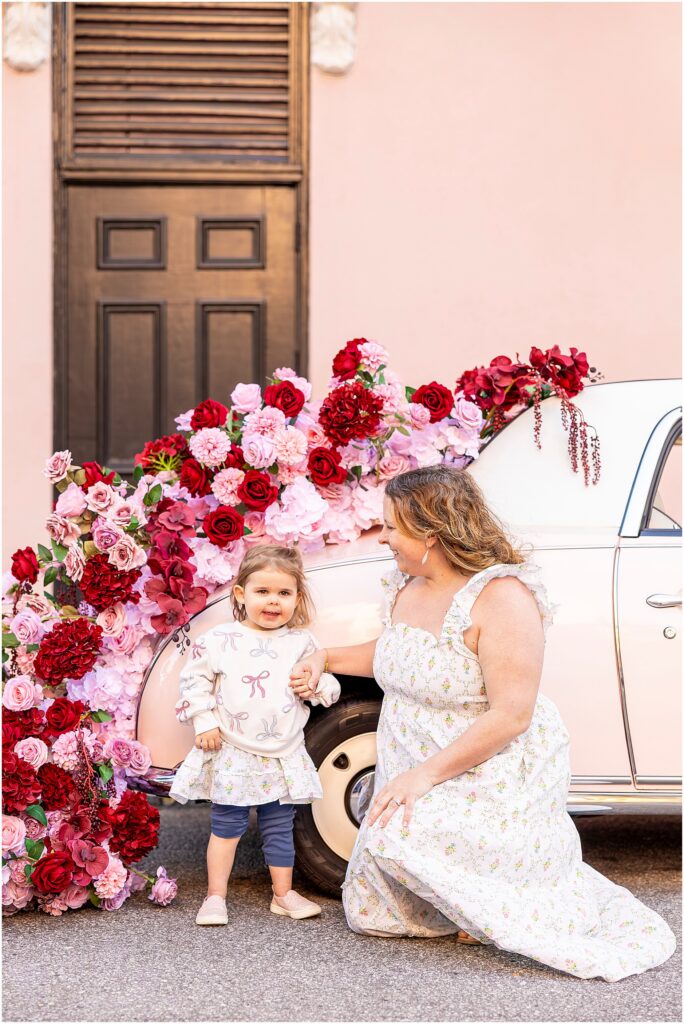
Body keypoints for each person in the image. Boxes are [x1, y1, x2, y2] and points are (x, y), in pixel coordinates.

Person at [289, 465, 676, 981]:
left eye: (392, 527)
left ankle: (495, 891)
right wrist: (326, 656)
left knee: (399, 837)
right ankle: (464, 901)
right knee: (377, 910)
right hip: (416, 760)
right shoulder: (408, 584)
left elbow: (512, 714)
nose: (383, 537)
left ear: (430, 532)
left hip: (487, 766)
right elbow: (397, 653)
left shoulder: (503, 597)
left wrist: (422, 776)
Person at [171, 545, 340, 926]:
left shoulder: (301, 643)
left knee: (279, 825)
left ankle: (283, 893)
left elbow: (326, 684)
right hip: (233, 749)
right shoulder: (221, 639)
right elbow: (194, 682)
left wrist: (316, 685)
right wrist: (204, 721)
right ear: (240, 594)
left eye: (284, 593)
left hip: (282, 751)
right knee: (227, 826)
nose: (273, 601)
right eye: (262, 591)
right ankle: (215, 896)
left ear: (297, 598)